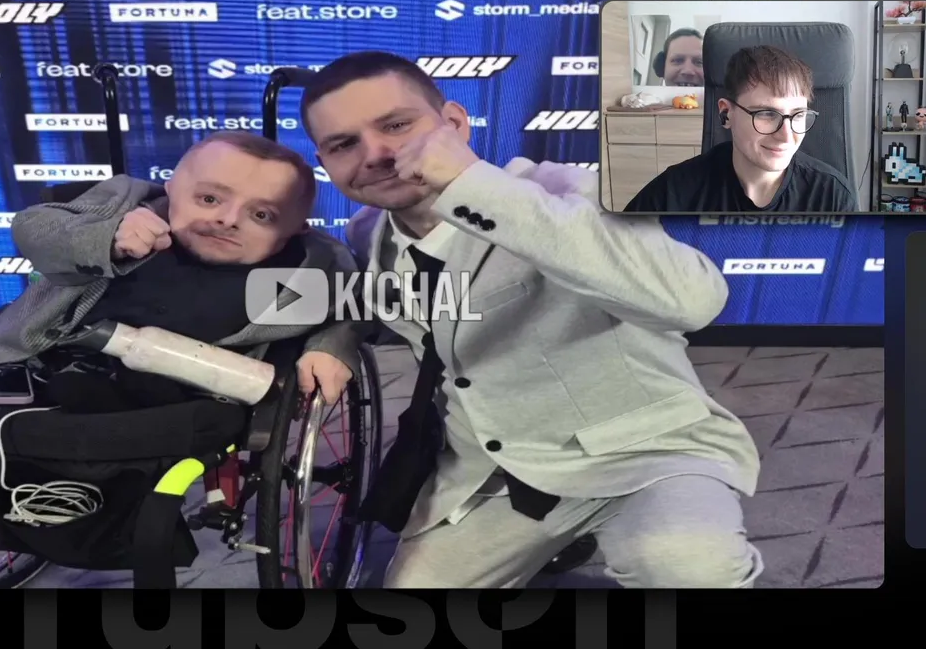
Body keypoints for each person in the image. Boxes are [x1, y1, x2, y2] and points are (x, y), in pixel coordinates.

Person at [299, 50, 762, 588]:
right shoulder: (367, 232)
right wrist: (333, 342)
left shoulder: (564, 189)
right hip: (493, 472)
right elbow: (352, 299)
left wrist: (470, 183)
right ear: (325, 161)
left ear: (453, 123)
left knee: (688, 564)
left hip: (644, 452)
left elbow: (693, 301)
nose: (376, 154)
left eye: (397, 125)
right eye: (344, 144)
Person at [0, 130, 357, 412]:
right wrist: (105, 237)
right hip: (58, 356)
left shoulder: (299, 272)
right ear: (170, 189)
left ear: (296, 229)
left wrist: (329, 349)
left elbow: (346, 309)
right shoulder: (126, 204)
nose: (228, 219)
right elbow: (34, 227)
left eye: (262, 215)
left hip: (194, 388)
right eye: (209, 199)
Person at [626, 45, 857, 213]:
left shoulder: (831, 196)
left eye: (798, 115)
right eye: (767, 113)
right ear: (726, 114)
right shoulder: (674, 193)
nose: (787, 136)